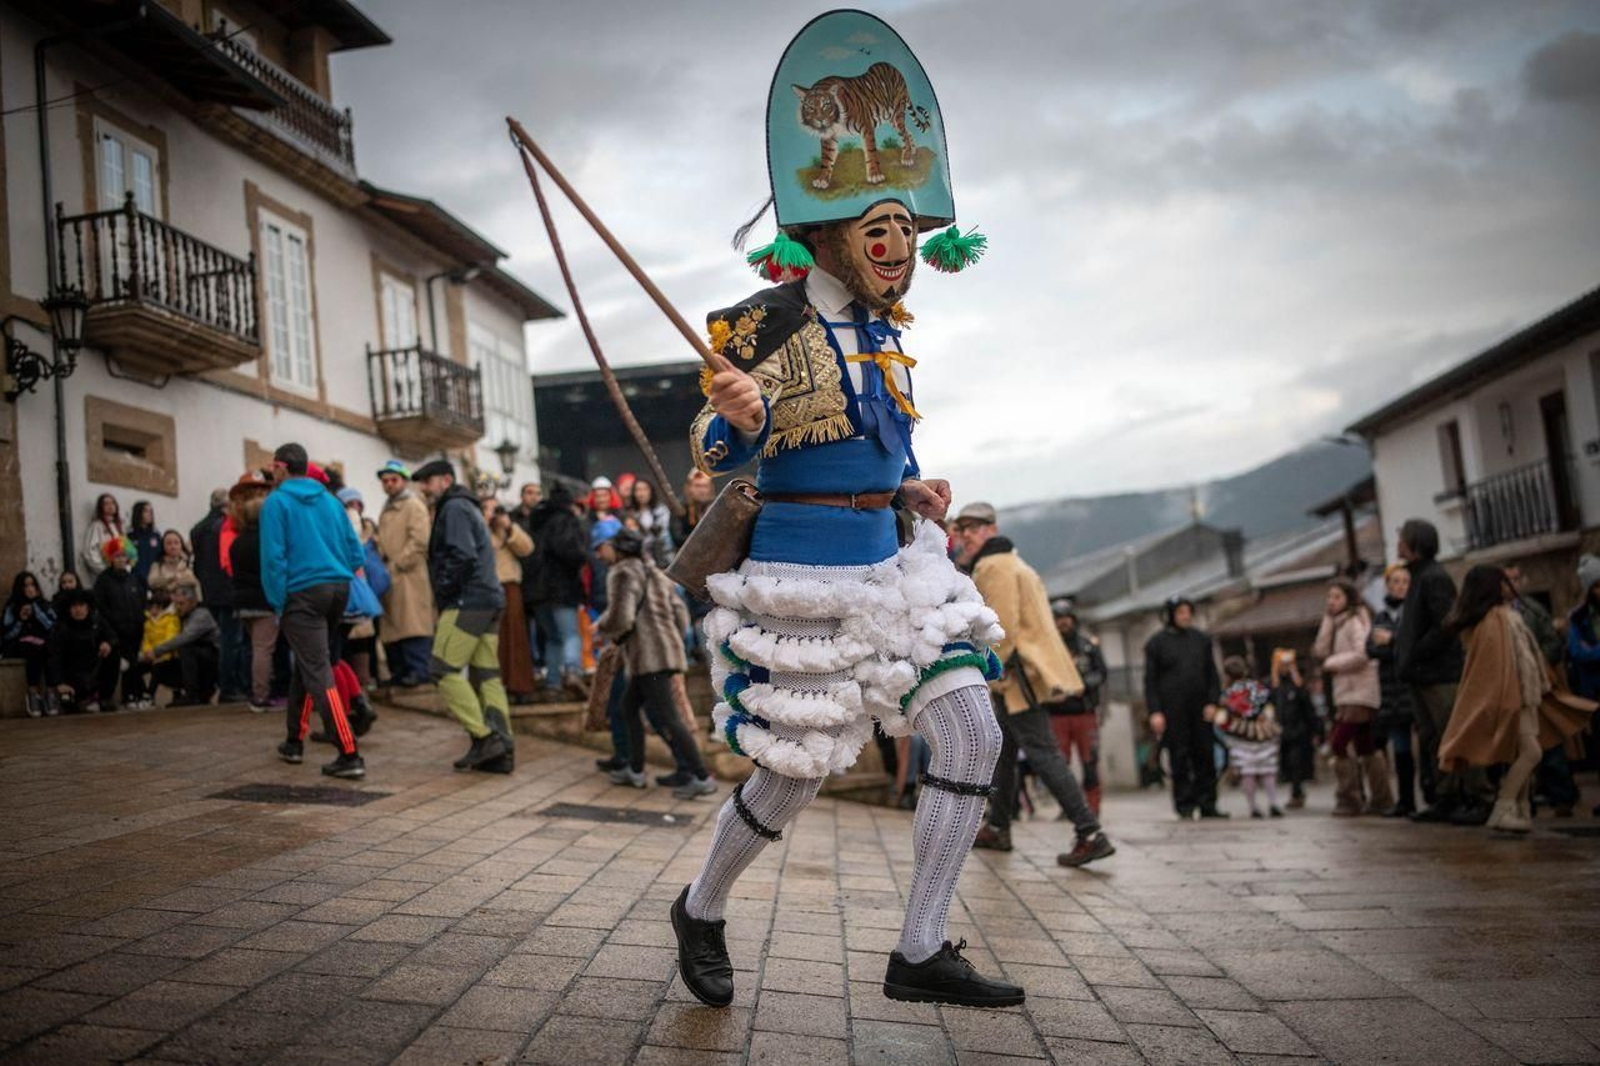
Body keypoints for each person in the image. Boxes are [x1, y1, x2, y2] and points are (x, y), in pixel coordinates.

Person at [675, 13, 1024, 1010]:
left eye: (908, 231)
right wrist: (734, 418)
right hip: (803, 572)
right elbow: (710, 450)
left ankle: (918, 952)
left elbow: (880, 435)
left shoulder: (882, 330)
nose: (901, 247)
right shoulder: (767, 321)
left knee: (970, 738)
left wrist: (909, 484)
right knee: (791, 775)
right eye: (882, 230)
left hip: (896, 561)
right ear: (828, 230)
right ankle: (700, 908)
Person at [955, 504, 1112, 866]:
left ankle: (1089, 831)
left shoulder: (995, 566)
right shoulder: (1014, 561)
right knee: (1004, 751)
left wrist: (990, 667)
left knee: (1043, 753)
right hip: (1023, 671)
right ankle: (998, 826)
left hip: (1016, 674)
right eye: (961, 529)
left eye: (972, 528)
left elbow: (1000, 625)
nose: (965, 535)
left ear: (990, 529)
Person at [1441, 565, 1595, 832]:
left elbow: (1526, 655)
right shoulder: (1496, 619)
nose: (1507, 585)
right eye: (1502, 581)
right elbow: (1497, 665)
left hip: (1528, 695)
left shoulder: (1501, 616)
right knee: (1532, 752)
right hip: (1517, 696)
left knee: (1523, 753)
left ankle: (1520, 810)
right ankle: (1503, 807)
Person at [260, 442, 366, 779]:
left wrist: (278, 602)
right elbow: (356, 552)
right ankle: (294, 740)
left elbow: (273, 559)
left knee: (317, 669)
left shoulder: (276, 502)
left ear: (280, 467)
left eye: (272, 467)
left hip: (302, 593)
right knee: (309, 663)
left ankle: (349, 752)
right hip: (338, 589)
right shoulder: (331, 501)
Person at [594, 526, 716, 798]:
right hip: (664, 652)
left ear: (621, 550)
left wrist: (601, 628)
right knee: (629, 707)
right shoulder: (656, 572)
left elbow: (622, 617)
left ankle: (701, 776)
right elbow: (680, 613)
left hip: (649, 657)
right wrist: (672, 639)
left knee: (669, 717)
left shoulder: (623, 572)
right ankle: (635, 771)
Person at [414, 459, 515, 774]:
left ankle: (485, 738)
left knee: (441, 670)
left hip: (467, 600)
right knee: (487, 675)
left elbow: (462, 555)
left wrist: (444, 591)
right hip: (489, 598)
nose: (424, 488)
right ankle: (502, 748)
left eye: (428, 482)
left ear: (445, 480)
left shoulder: (454, 507)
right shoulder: (468, 506)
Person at [1395, 519, 1492, 825]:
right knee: (1435, 738)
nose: (1397, 543)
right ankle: (1447, 796)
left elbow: (1447, 624)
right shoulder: (1419, 577)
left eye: (1402, 538)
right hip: (1421, 674)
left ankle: (1480, 796)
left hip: (1438, 674)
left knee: (1456, 734)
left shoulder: (1434, 577)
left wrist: (1417, 651)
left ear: (1414, 543)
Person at [1314, 579, 1392, 817]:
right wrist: (1328, 620)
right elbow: (1320, 650)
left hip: (1359, 692)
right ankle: (1381, 799)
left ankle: (1349, 798)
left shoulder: (1356, 620)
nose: (1331, 601)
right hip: (1347, 693)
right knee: (1365, 745)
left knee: (1338, 743)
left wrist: (1332, 664)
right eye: (1329, 597)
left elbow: (1362, 654)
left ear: (1348, 598)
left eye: (1336, 597)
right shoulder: (1337, 622)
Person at [1144, 596, 1225, 818]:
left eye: (1188, 611)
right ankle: (1185, 804)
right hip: (1172, 709)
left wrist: (1213, 701)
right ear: (1171, 615)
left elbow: (1212, 675)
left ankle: (1208, 803)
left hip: (1201, 707)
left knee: (1205, 755)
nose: (1185, 616)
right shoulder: (1156, 644)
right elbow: (1150, 681)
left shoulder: (1201, 640)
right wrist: (1155, 711)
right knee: (1179, 756)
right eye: (1180, 612)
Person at [374, 460, 435, 688]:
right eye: (385, 480)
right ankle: (399, 671)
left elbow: (419, 541)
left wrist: (398, 564)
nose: (389, 484)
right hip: (390, 574)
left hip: (408, 575)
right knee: (395, 627)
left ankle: (419, 670)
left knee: (412, 624)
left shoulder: (413, 505)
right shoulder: (387, 507)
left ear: (403, 481)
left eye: (393, 480)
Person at [1046, 601, 1107, 816]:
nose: (1063, 622)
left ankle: (1093, 806)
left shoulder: (1088, 645)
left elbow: (1101, 672)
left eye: (1066, 617)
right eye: (1058, 618)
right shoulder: (1048, 650)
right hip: (1057, 713)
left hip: (1084, 711)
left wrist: (1083, 685)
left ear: (1073, 619)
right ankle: (1068, 807)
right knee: (1060, 764)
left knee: (1090, 761)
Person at [528, 483, 588, 697]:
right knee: (570, 634)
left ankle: (552, 683)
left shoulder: (536, 521)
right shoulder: (566, 521)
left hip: (536, 591)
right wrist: (583, 556)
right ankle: (572, 670)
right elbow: (570, 551)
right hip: (562, 588)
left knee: (553, 637)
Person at [1368, 564, 1417, 817]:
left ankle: (1433, 793)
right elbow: (1372, 648)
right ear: (1387, 585)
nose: (1400, 586)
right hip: (1391, 693)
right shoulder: (1381, 615)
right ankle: (1406, 801)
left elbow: (1413, 644)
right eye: (1395, 581)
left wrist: (1392, 640)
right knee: (1400, 748)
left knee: (1428, 744)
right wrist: (1393, 646)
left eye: (1405, 581)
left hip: (1414, 688)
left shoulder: (1415, 612)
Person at [228, 470, 278, 713]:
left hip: (242, 602)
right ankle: (260, 697)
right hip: (263, 601)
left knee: (254, 648)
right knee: (263, 650)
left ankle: (254, 691)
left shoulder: (237, 541)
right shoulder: (266, 541)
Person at [192, 488, 246, 702]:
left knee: (226, 640)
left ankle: (228, 687)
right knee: (233, 641)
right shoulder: (227, 526)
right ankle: (230, 688)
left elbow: (198, 564)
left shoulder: (197, 529)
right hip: (229, 590)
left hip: (210, 592)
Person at [1212, 657, 1282, 817]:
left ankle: (1253, 806)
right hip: (1263, 733)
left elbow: (1221, 719)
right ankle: (1273, 802)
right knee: (1268, 770)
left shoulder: (1227, 694)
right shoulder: (1258, 688)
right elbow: (1270, 707)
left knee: (1247, 772)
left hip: (1240, 735)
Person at [483, 496, 537, 703]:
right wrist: (485, 521)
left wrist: (508, 527)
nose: (494, 513)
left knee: (515, 637)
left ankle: (519, 685)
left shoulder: (507, 528)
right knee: (494, 640)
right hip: (488, 586)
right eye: (488, 509)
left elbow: (527, 548)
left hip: (510, 585)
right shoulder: (479, 528)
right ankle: (497, 685)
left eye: (496, 508)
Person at [142, 583, 219, 705]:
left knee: (185, 648)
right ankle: (149, 697)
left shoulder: (201, 615)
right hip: (195, 660)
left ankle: (193, 695)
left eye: (181, 604)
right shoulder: (179, 616)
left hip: (211, 661)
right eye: (176, 604)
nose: (178, 607)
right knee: (160, 667)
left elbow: (184, 638)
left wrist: (157, 651)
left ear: (192, 601)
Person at [93, 537, 146, 710]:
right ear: (110, 558)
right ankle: (106, 697)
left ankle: (130, 696)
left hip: (134, 631)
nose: (121, 560)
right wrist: (109, 631)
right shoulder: (103, 581)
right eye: (116, 556)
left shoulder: (133, 579)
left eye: (123, 556)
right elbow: (100, 607)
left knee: (132, 666)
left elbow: (141, 602)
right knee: (113, 667)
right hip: (114, 632)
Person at [46, 589, 118, 713]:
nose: (78, 610)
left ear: (88, 607)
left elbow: (112, 636)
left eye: (81, 605)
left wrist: (108, 643)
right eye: (74, 606)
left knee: (114, 654)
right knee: (70, 707)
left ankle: (105, 698)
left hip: (94, 670)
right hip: (72, 676)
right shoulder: (61, 627)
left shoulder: (96, 621)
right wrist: (59, 683)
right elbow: (53, 656)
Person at [1270, 649, 1319, 809]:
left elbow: (1309, 710)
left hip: (1298, 731)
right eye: (1281, 665)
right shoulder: (1273, 686)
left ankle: (1296, 793)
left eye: (1287, 665)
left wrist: (1316, 731)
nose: (1284, 668)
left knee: (1296, 762)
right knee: (1286, 765)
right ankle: (1296, 791)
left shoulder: (1298, 686)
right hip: (1280, 732)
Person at [4, 571, 56, 716]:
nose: (30, 589)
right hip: (19, 644)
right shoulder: (12, 607)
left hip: (43, 642)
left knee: (48, 647)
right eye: (25, 586)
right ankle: (33, 693)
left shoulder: (44, 604)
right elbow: (7, 635)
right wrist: (21, 620)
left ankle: (51, 692)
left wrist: (36, 609)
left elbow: (51, 626)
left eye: (32, 585)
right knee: (34, 646)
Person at [625, 477, 674, 565]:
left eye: (645, 489)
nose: (641, 494)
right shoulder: (630, 513)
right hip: (640, 560)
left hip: (662, 556)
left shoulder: (661, 510)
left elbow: (661, 534)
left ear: (651, 491)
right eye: (638, 490)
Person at [79, 493, 124, 579]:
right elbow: (89, 552)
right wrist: (104, 570)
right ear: (101, 507)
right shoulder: (97, 526)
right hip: (106, 575)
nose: (110, 506)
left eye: (112, 503)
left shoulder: (118, 527)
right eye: (106, 504)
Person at [146, 530, 198, 599]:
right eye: (169, 543)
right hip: (165, 603)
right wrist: (173, 576)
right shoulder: (157, 565)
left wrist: (170, 584)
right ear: (163, 546)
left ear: (181, 544)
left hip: (188, 603)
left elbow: (194, 581)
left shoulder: (189, 563)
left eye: (176, 543)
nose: (173, 546)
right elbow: (152, 582)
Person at [127, 501, 162, 590]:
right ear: (138, 513)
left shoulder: (156, 535)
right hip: (135, 580)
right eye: (146, 511)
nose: (149, 514)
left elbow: (160, 556)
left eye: (151, 511)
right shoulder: (130, 536)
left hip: (154, 579)